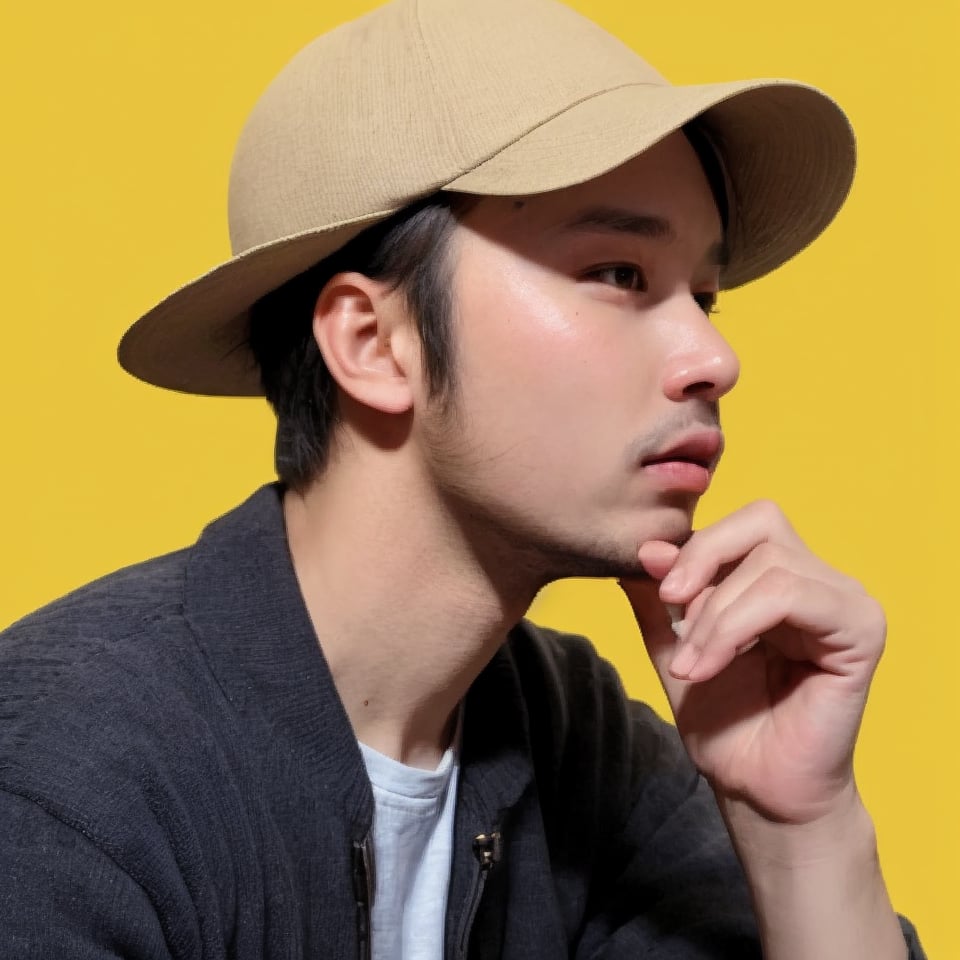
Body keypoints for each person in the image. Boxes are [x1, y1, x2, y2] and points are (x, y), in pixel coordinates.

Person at [0, 0, 927, 957]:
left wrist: (799, 830)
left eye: (703, 295)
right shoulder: (63, 774)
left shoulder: (578, 741)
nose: (712, 358)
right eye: (618, 273)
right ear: (374, 344)